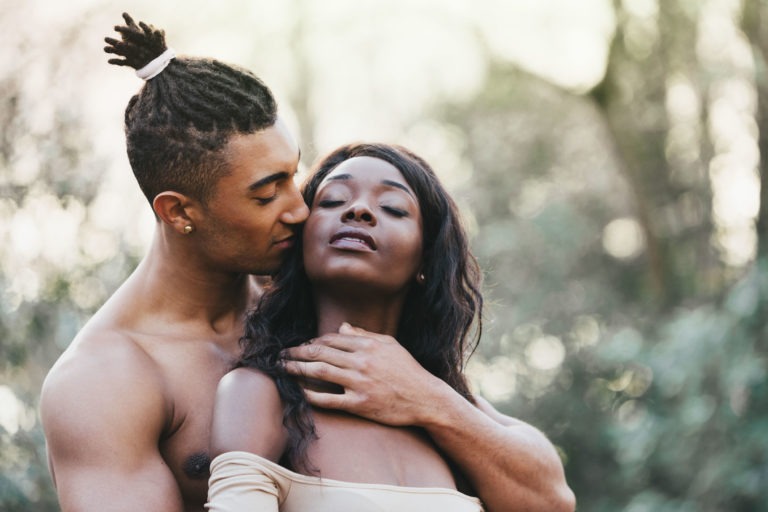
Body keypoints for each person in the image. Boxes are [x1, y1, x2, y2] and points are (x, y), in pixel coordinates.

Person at [207, 143, 575, 512]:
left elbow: (553, 501)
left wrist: (429, 399)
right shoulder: (258, 394)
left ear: (425, 259)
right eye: (333, 201)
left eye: (393, 208)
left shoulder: (455, 407)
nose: (359, 209)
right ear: (301, 242)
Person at [40, 13, 309, 511]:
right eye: (268, 193)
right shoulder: (105, 382)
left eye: (295, 174)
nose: (301, 209)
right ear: (179, 211)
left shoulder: (311, 300)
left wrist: (432, 403)